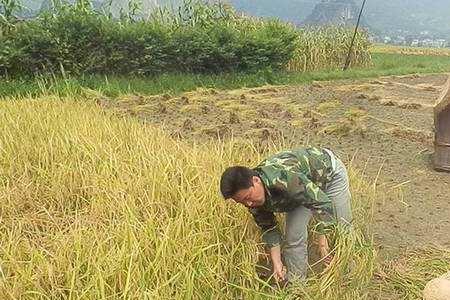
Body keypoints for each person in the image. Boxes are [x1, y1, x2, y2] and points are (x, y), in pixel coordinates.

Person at [219, 146, 353, 282]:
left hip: (330, 175)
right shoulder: (252, 201)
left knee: (342, 229)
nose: (248, 204)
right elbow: (269, 228)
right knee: (293, 237)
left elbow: (322, 204)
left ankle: (347, 277)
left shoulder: (284, 179)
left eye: (248, 196)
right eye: (242, 202)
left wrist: (323, 244)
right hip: (302, 189)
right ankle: (297, 285)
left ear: (256, 181)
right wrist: (277, 263)